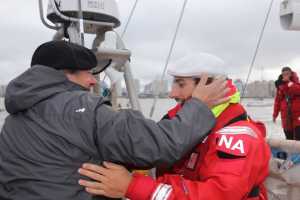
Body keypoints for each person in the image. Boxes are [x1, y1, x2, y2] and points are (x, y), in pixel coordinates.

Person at [0, 41, 229, 200]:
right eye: (88, 73)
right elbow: (160, 146)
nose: (92, 81)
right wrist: (199, 105)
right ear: (65, 73)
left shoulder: (14, 118)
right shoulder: (84, 108)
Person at [78, 53, 271, 200]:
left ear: (210, 86)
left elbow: (218, 195)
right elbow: (152, 150)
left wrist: (132, 186)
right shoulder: (178, 118)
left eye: (180, 84)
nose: (171, 93)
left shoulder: (238, 137)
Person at [273, 66, 300, 140]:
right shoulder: (280, 87)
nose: (285, 76)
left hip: (297, 117)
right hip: (286, 117)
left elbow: (297, 90)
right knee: (288, 137)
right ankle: (290, 151)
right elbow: (277, 101)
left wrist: (288, 82)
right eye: (284, 74)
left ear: (291, 74)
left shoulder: (296, 83)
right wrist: (275, 114)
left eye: (287, 74)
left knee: (298, 137)